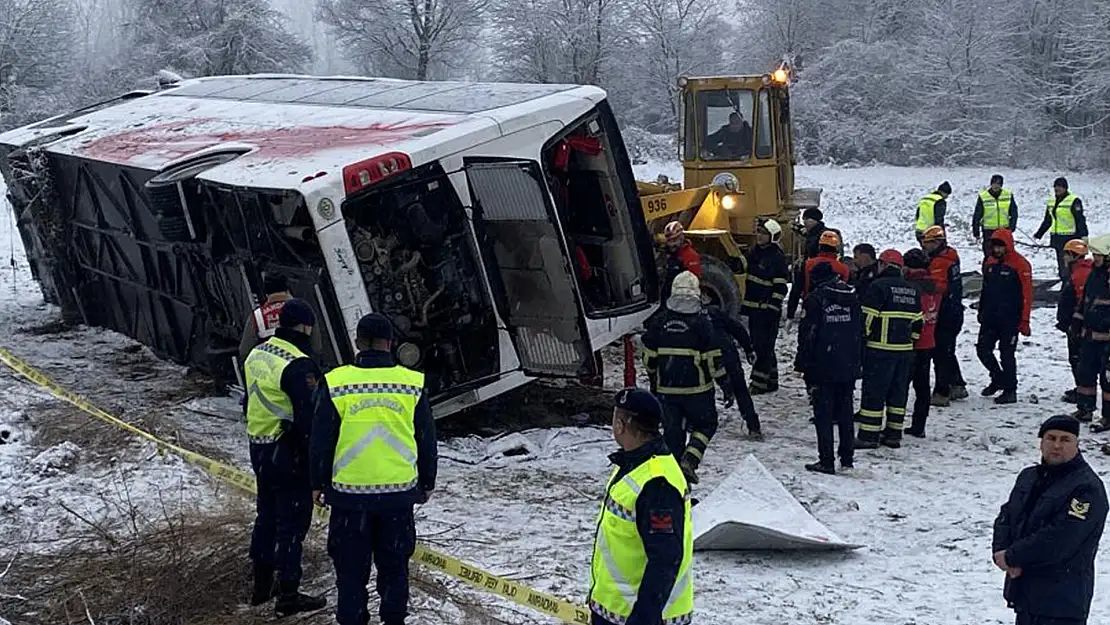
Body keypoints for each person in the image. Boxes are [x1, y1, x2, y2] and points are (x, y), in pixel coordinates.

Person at [310, 313, 438, 625]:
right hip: (397, 498)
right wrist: (427, 481)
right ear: (391, 344)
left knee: (351, 573)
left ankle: (352, 619)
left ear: (357, 342)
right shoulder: (412, 383)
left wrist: (317, 481)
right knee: (394, 569)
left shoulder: (336, 382)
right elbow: (426, 438)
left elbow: (321, 440)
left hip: (349, 499)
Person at [242, 298, 327, 616]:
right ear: (305, 327)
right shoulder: (299, 365)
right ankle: (288, 594)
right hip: (287, 453)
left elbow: (250, 399)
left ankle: (261, 587)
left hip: (260, 447)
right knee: (292, 524)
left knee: (266, 516)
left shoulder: (257, 354)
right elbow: (310, 421)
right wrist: (317, 468)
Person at [588, 388, 693, 625]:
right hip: (616, 612)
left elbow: (665, 559)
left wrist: (643, 619)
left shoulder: (657, 484)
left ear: (621, 425)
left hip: (642, 618)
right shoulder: (632, 465)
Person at [992, 415, 1107, 625]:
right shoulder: (1029, 477)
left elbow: (1062, 538)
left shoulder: (1086, 488)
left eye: (1065, 440)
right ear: (1041, 442)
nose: (1057, 445)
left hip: (1061, 601)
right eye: (1051, 438)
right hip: (1024, 594)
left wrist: (1013, 556)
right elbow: (1007, 517)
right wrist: (1002, 554)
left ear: (1077, 444)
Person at [641, 271, 726, 484]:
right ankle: (691, 459)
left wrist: (655, 380)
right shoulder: (702, 323)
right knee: (706, 425)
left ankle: (674, 485)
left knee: (673, 437)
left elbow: (648, 358)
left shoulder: (659, 322)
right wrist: (726, 384)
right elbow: (713, 359)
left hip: (667, 391)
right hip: (698, 391)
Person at [796, 262, 863, 474]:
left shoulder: (814, 300)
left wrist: (802, 364)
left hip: (823, 364)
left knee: (823, 415)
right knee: (845, 412)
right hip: (848, 363)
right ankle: (847, 459)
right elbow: (860, 330)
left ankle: (826, 460)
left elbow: (808, 335)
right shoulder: (852, 296)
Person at [856, 250, 923, 449]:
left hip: (879, 350)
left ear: (882, 265)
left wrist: (860, 342)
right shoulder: (912, 290)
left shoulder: (877, 287)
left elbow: (867, 319)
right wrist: (909, 342)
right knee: (898, 393)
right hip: (904, 352)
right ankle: (893, 435)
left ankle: (868, 435)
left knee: (874, 393)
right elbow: (918, 324)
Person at [978, 229, 1033, 405]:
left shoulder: (1020, 264)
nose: (997, 250)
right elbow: (985, 289)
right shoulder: (989, 263)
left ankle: (1010, 389)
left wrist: (1024, 320)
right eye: (995, 246)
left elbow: (1027, 294)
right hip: (990, 316)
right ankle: (998, 378)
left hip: (1010, 318)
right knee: (982, 349)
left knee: (1006, 354)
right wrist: (981, 310)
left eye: (1000, 246)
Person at [741, 219, 790, 395]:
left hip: (766, 310)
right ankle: (771, 380)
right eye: (758, 232)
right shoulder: (755, 253)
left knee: (763, 347)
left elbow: (780, 286)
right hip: (755, 309)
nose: (759, 235)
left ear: (771, 237)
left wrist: (773, 306)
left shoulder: (776, 258)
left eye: (763, 233)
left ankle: (759, 383)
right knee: (764, 346)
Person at [921, 226, 968, 405]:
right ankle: (957, 384)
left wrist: (922, 283)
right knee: (947, 351)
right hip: (954, 309)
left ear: (937, 243)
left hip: (945, 311)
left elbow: (939, 286)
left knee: (941, 352)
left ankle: (942, 391)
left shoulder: (939, 263)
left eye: (927, 243)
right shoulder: (951, 256)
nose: (925, 247)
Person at [705, 299, 761, 440]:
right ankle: (754, 427)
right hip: (727, 353)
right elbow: (737, 328)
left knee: (702, 389)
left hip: (708, 357)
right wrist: (749, 349)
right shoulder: (714, 312)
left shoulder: (689, 319)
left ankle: (701, 423)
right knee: (740, 389)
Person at [1071, 235, 1110, 429]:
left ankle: (1108, 416)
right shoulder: (1095, 274)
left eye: (1099, 256)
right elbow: (1085, 301)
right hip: (1089, 335)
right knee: (1085, 372)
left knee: (1108, 379)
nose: (1095, 259)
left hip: (1106, 339)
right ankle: (1085, 408)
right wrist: (1076, 323)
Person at [904, 249, 940, 438]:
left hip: (910, 343)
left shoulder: (910, 287)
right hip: (928, 341)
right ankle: (919, 425)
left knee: (900, 387)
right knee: (923, 387)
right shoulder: (933, 285)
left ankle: (894, 425)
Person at [1057, 240, 1093, 405]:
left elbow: (1079, 301)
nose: (1063, 257)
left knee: (1078, 359)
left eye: (1066, 254)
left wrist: (1074, 324)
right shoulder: (1079, 271)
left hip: (1078, 326)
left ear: (1073, 255)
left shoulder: (1079, 274)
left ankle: (1082, 392)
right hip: (1076, 324)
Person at [1034, 177, 1089, 283]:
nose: (1057, 189)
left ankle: (1074, 284)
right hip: (1057, 238)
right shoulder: (1051, 201)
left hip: (1071, 238)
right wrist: (1039, 233)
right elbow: (1048, 219)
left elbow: (1080, 219)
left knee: (1072, 264)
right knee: (1062, 265)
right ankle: (1065, 284)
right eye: (1055, 186)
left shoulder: (1073, 200)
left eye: (1059, 186)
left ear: (1065, 188)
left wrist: (1084, 236)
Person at [787, 230, 850, 320]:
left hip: (810, 307)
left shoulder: (807, 264)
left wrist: (790, 314)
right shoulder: (843, 269)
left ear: (819, 246)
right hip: (834, 312)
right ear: (836, 247)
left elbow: (796, 290)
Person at [973, 174, 1019, 258]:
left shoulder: (1007, 195)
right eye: (994, 183)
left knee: (1005, 254)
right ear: (991, 184)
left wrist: (1012, 227)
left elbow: (1014, 212)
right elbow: (977, 215)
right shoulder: (983, 196)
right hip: (989, 230)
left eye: (998, 184)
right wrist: (976, 232)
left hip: (1004, 229)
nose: (996, 186)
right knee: (989, 253)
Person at [660, 221, 702, 302]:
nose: (671, 244)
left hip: (682, 298)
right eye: (669, 241)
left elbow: (693, 282)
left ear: (681, 237)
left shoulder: (690, 256)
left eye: (674, 240)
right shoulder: (669, 254)